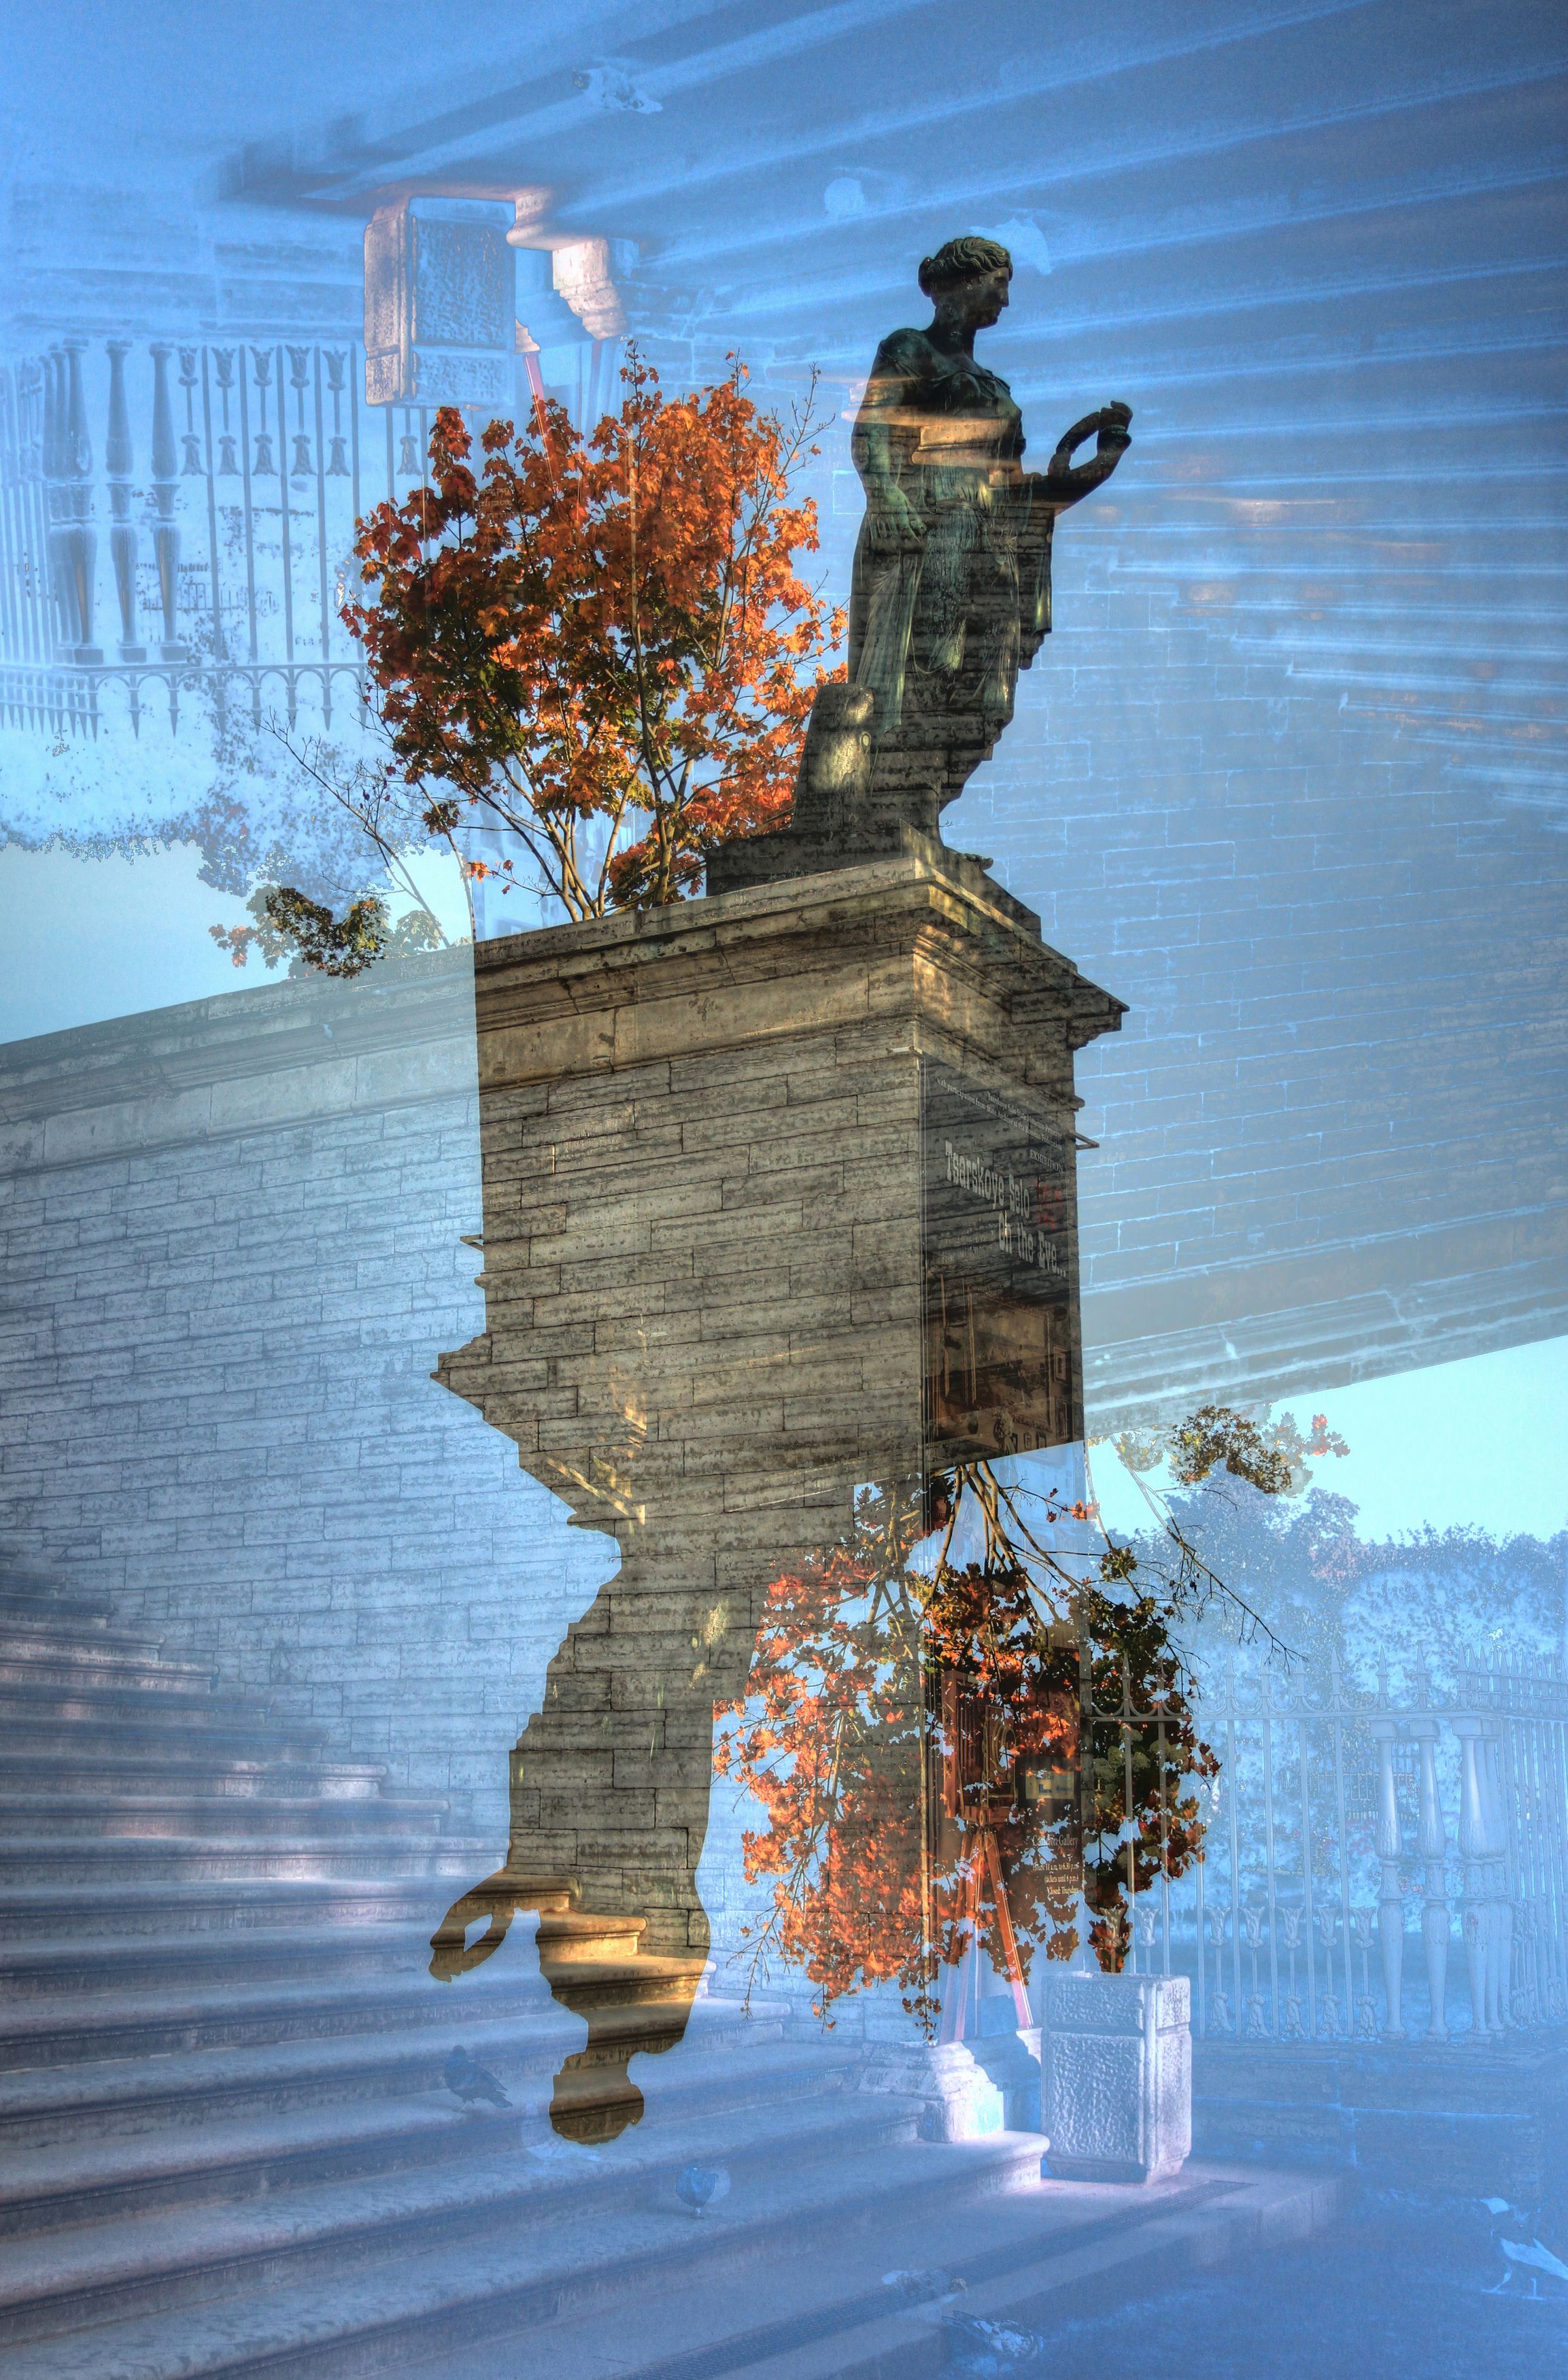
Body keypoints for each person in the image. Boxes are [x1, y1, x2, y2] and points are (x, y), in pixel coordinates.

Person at [847, 234, 1131, 826]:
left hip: (994, 536)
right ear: (964, 281)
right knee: (931, 660)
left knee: (989, 692)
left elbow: (1022, 491)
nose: (1005, 299)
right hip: (933, 522)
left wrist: (1100, 465)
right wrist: (886, 494)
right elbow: (871, 431)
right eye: (999, 284)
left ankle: (923, 809)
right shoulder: (910, 349)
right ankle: (895, 808)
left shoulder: (996, 387)